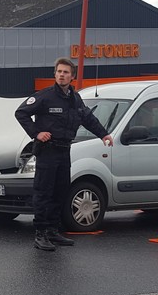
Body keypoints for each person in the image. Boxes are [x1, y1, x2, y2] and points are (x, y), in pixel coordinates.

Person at [14, 57, 113, 251]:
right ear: (55, 74)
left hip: (65, 150)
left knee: (60, 191)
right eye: (59, 71)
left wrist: (104, 134)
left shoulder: (75, 98)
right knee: (44, 192)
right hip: (47, 150)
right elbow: (21, 113)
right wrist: (36, 133)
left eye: (66, 72)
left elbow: (87, 118)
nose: (62, 75)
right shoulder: (44, 96)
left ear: (72, 76)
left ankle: (52, 230)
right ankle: (40, 233)